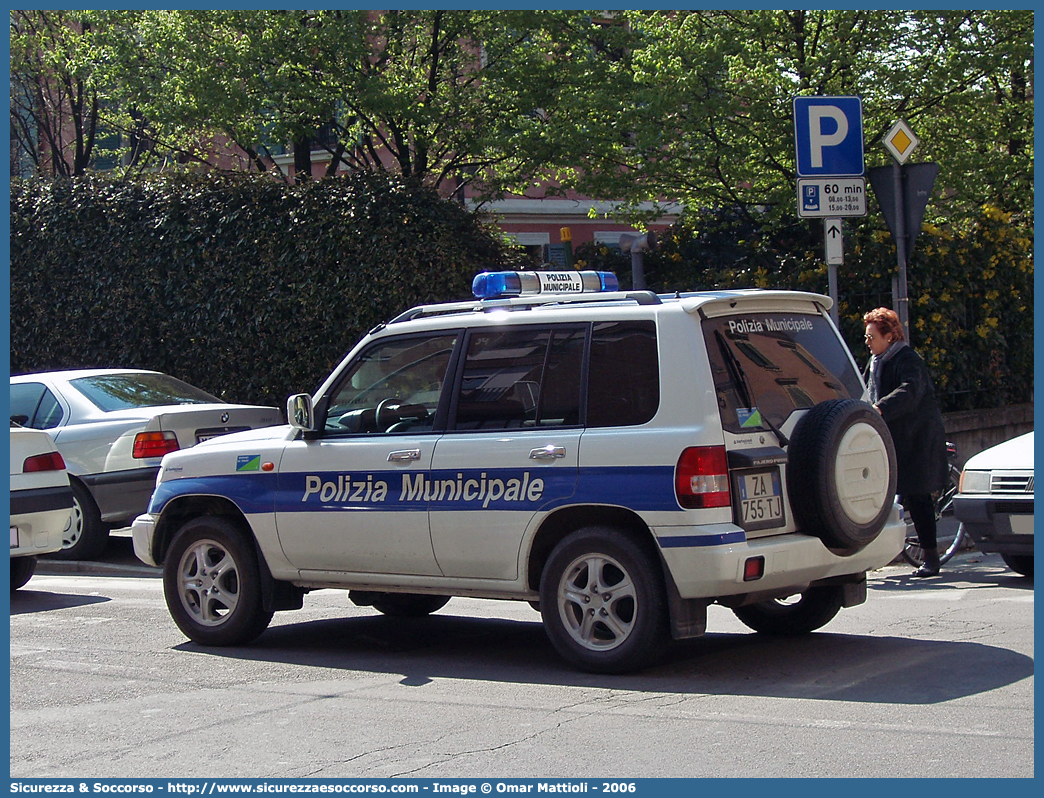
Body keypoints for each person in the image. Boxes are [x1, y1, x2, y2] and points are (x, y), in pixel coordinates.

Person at [863, 307, 950, 577]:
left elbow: (911, 390)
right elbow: (865, 390)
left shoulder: (907, 359)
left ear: (889, 336)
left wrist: (880, 408)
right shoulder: (875, 361)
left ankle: (931, 557)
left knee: (917, 494)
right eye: (866, 337)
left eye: (871, 336)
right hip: (889, 436)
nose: (867, 342)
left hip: (915, 438)